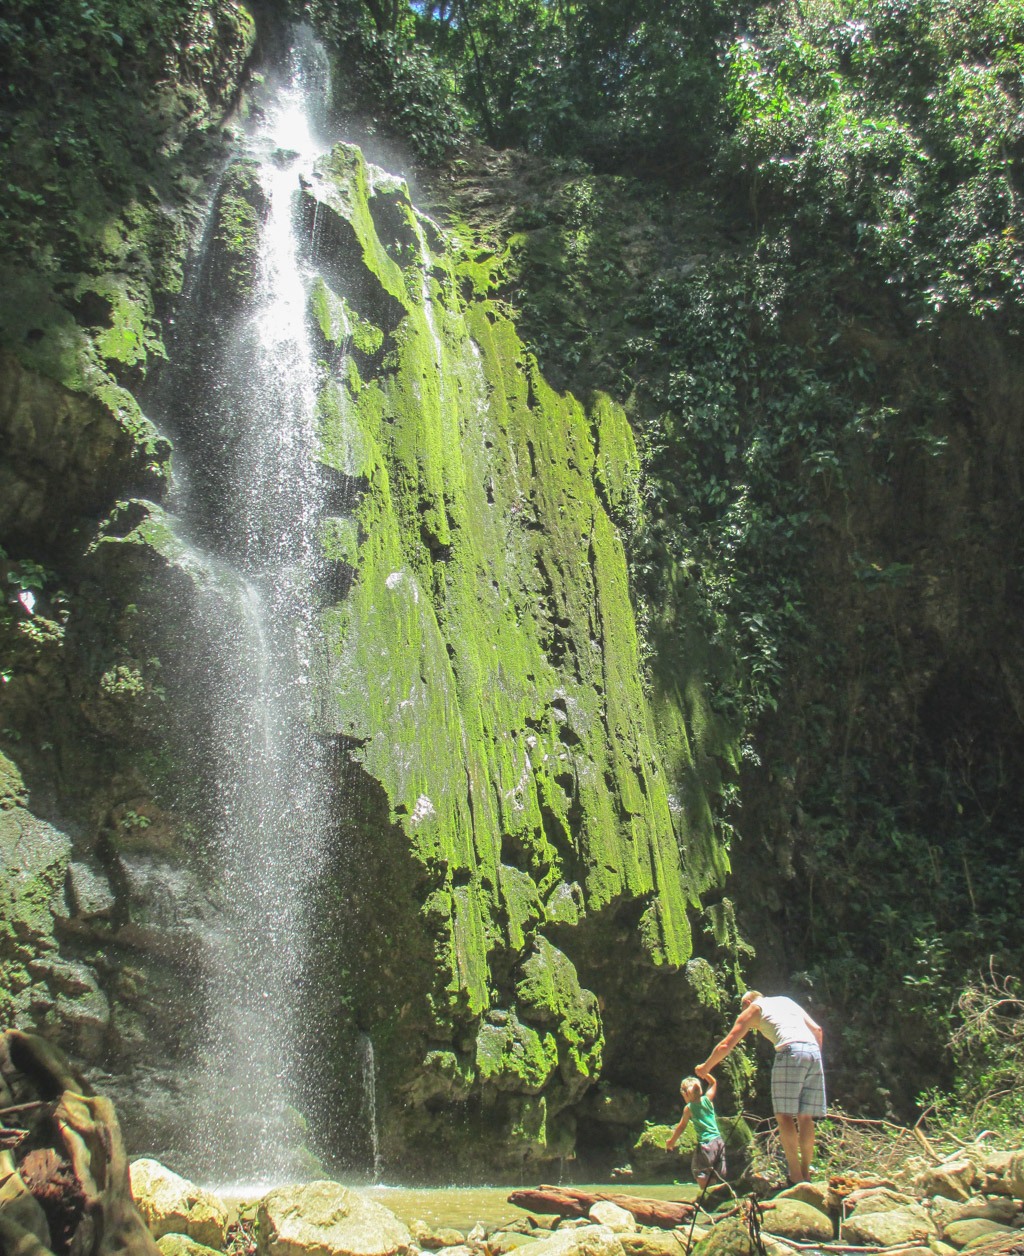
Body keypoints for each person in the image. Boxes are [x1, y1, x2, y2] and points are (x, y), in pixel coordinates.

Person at [695, 990, 825, 1184]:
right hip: (814, 1052)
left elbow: (726, 1044)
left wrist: (705, 1068)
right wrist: (812, 1056)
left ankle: (796, 1177)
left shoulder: (754, 1008)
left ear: (747, 1002)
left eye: (742, 1007)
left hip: (790, 1050)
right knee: (805, 1116)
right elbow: (818, 1030)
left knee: (784, 1116)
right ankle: (806, 1174)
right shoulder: (785, 1000)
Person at [666, 1072, 727, 1189]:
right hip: (719, 1142)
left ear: (685, 1094)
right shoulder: (707, 1100)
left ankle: (705, 1195)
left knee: (700, 1170)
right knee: (714, 1173)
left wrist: (671, 1142)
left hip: (706, 1144)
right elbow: (713, 1082)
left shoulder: (689, 1108)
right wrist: (704, 1072)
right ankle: (714, 1195)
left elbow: (681, 1127)